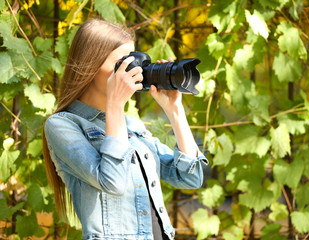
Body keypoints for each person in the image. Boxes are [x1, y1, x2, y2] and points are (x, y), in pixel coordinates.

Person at [42, 19, 208, 240]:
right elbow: (113, 182)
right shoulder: (63, 125)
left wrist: (175, 110)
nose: (133, 70)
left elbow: (190, 177)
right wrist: (115, 104)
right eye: (123, 63)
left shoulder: (130, 124)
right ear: (91, 65)